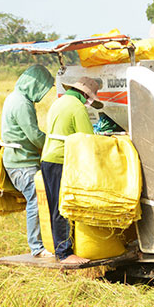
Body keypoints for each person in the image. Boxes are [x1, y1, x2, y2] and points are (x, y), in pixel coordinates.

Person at [40, 77, 103, 266]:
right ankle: (65, 253)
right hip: (61, 160)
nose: (88, 101)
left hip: (47, 159)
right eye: (89, 98)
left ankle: (60, 249)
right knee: (64, 207)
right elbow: (87, 138)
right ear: (85, 94)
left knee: (55, 207)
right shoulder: (77, 107)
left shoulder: (58, 102)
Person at [0, 65, 54, 257]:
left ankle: (42, 244)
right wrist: (53, 141)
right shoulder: (22, 103)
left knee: (36, 200)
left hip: (16, 160)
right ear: (34, 84)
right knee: (35, 201)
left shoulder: (13, 97)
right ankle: (37, 248)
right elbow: (34, 136)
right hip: (22, 163)